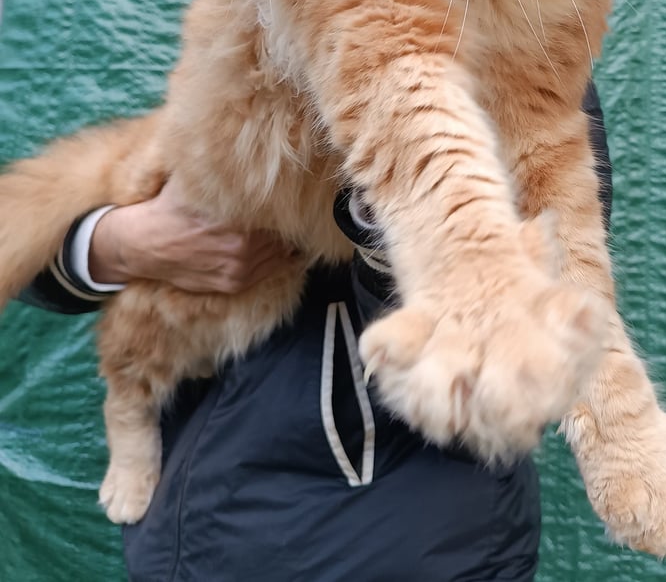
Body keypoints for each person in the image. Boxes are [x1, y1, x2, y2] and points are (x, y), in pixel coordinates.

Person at [22, 85, 612, 582]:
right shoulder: (249, 8)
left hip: (403, 532)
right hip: (196, 525)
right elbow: (46, 243)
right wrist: (116, 243)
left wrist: (392, 223)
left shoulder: (523, 21)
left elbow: (540, 283)